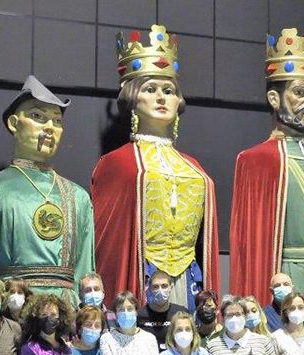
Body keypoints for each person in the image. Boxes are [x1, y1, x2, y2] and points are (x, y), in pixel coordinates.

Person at [92, 23, 221, 310]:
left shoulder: (194, 167)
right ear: (132, 97)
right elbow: (110, 242)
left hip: (188, 276)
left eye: (169, 90)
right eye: (150, 89)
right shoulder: (117, 164)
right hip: (143, 274)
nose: (162, 97)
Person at [228, 28, 304, 302]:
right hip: (284, 282)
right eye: (300, 92)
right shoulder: (257, 160)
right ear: (274, 98)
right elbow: (251, 243)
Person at [0, 76, 95, 305]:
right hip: (7, 309)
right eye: (37, 116)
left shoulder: (78, 197)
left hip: (65, 311)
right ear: (14, 123)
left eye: (57, 121)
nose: (50, 127)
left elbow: (85, 270)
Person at [138, 269, 189, 350]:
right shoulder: (139, 315)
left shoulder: (181, 313)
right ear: (150, 289)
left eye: (164, 286)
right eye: (155, 287)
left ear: (170, 288)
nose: (160, 290)